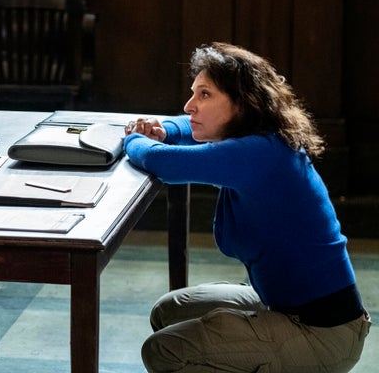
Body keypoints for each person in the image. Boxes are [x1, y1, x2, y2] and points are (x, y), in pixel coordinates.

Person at [124, 42, 370, 372]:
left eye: (205, 95)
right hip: (281, 304)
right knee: (168, 311)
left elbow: (161, 162)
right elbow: (186, 127)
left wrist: (133, 139)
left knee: (163, 351)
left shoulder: (260, 152)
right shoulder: (255, 137)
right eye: (193, 93)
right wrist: (163, 130)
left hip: (322, 332)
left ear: (241, 105)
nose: (189, 106)